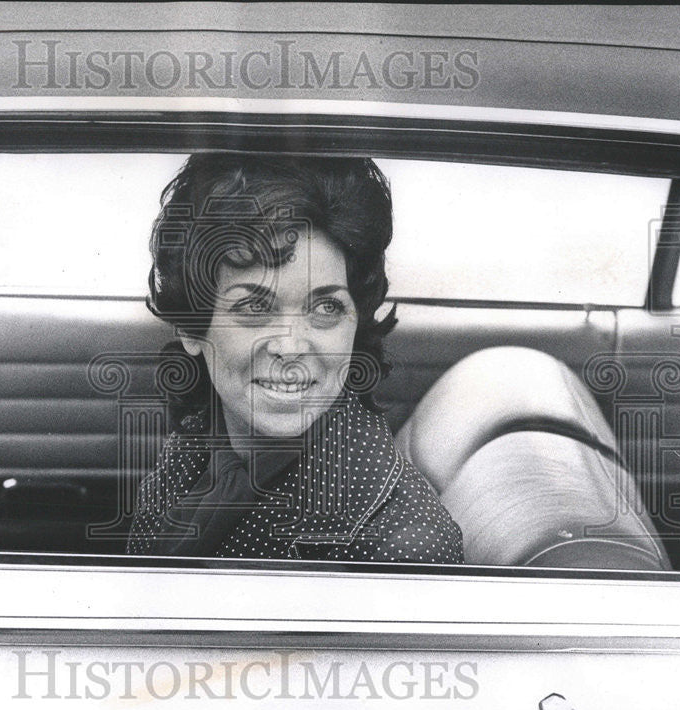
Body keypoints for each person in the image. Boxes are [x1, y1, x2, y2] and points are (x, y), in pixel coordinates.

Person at [125, 154, 463, 563]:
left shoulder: (401, 544)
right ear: (191, 327)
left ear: (355, 323)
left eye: (325, 308)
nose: (291, 346)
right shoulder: (201, 438)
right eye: (254, 307)